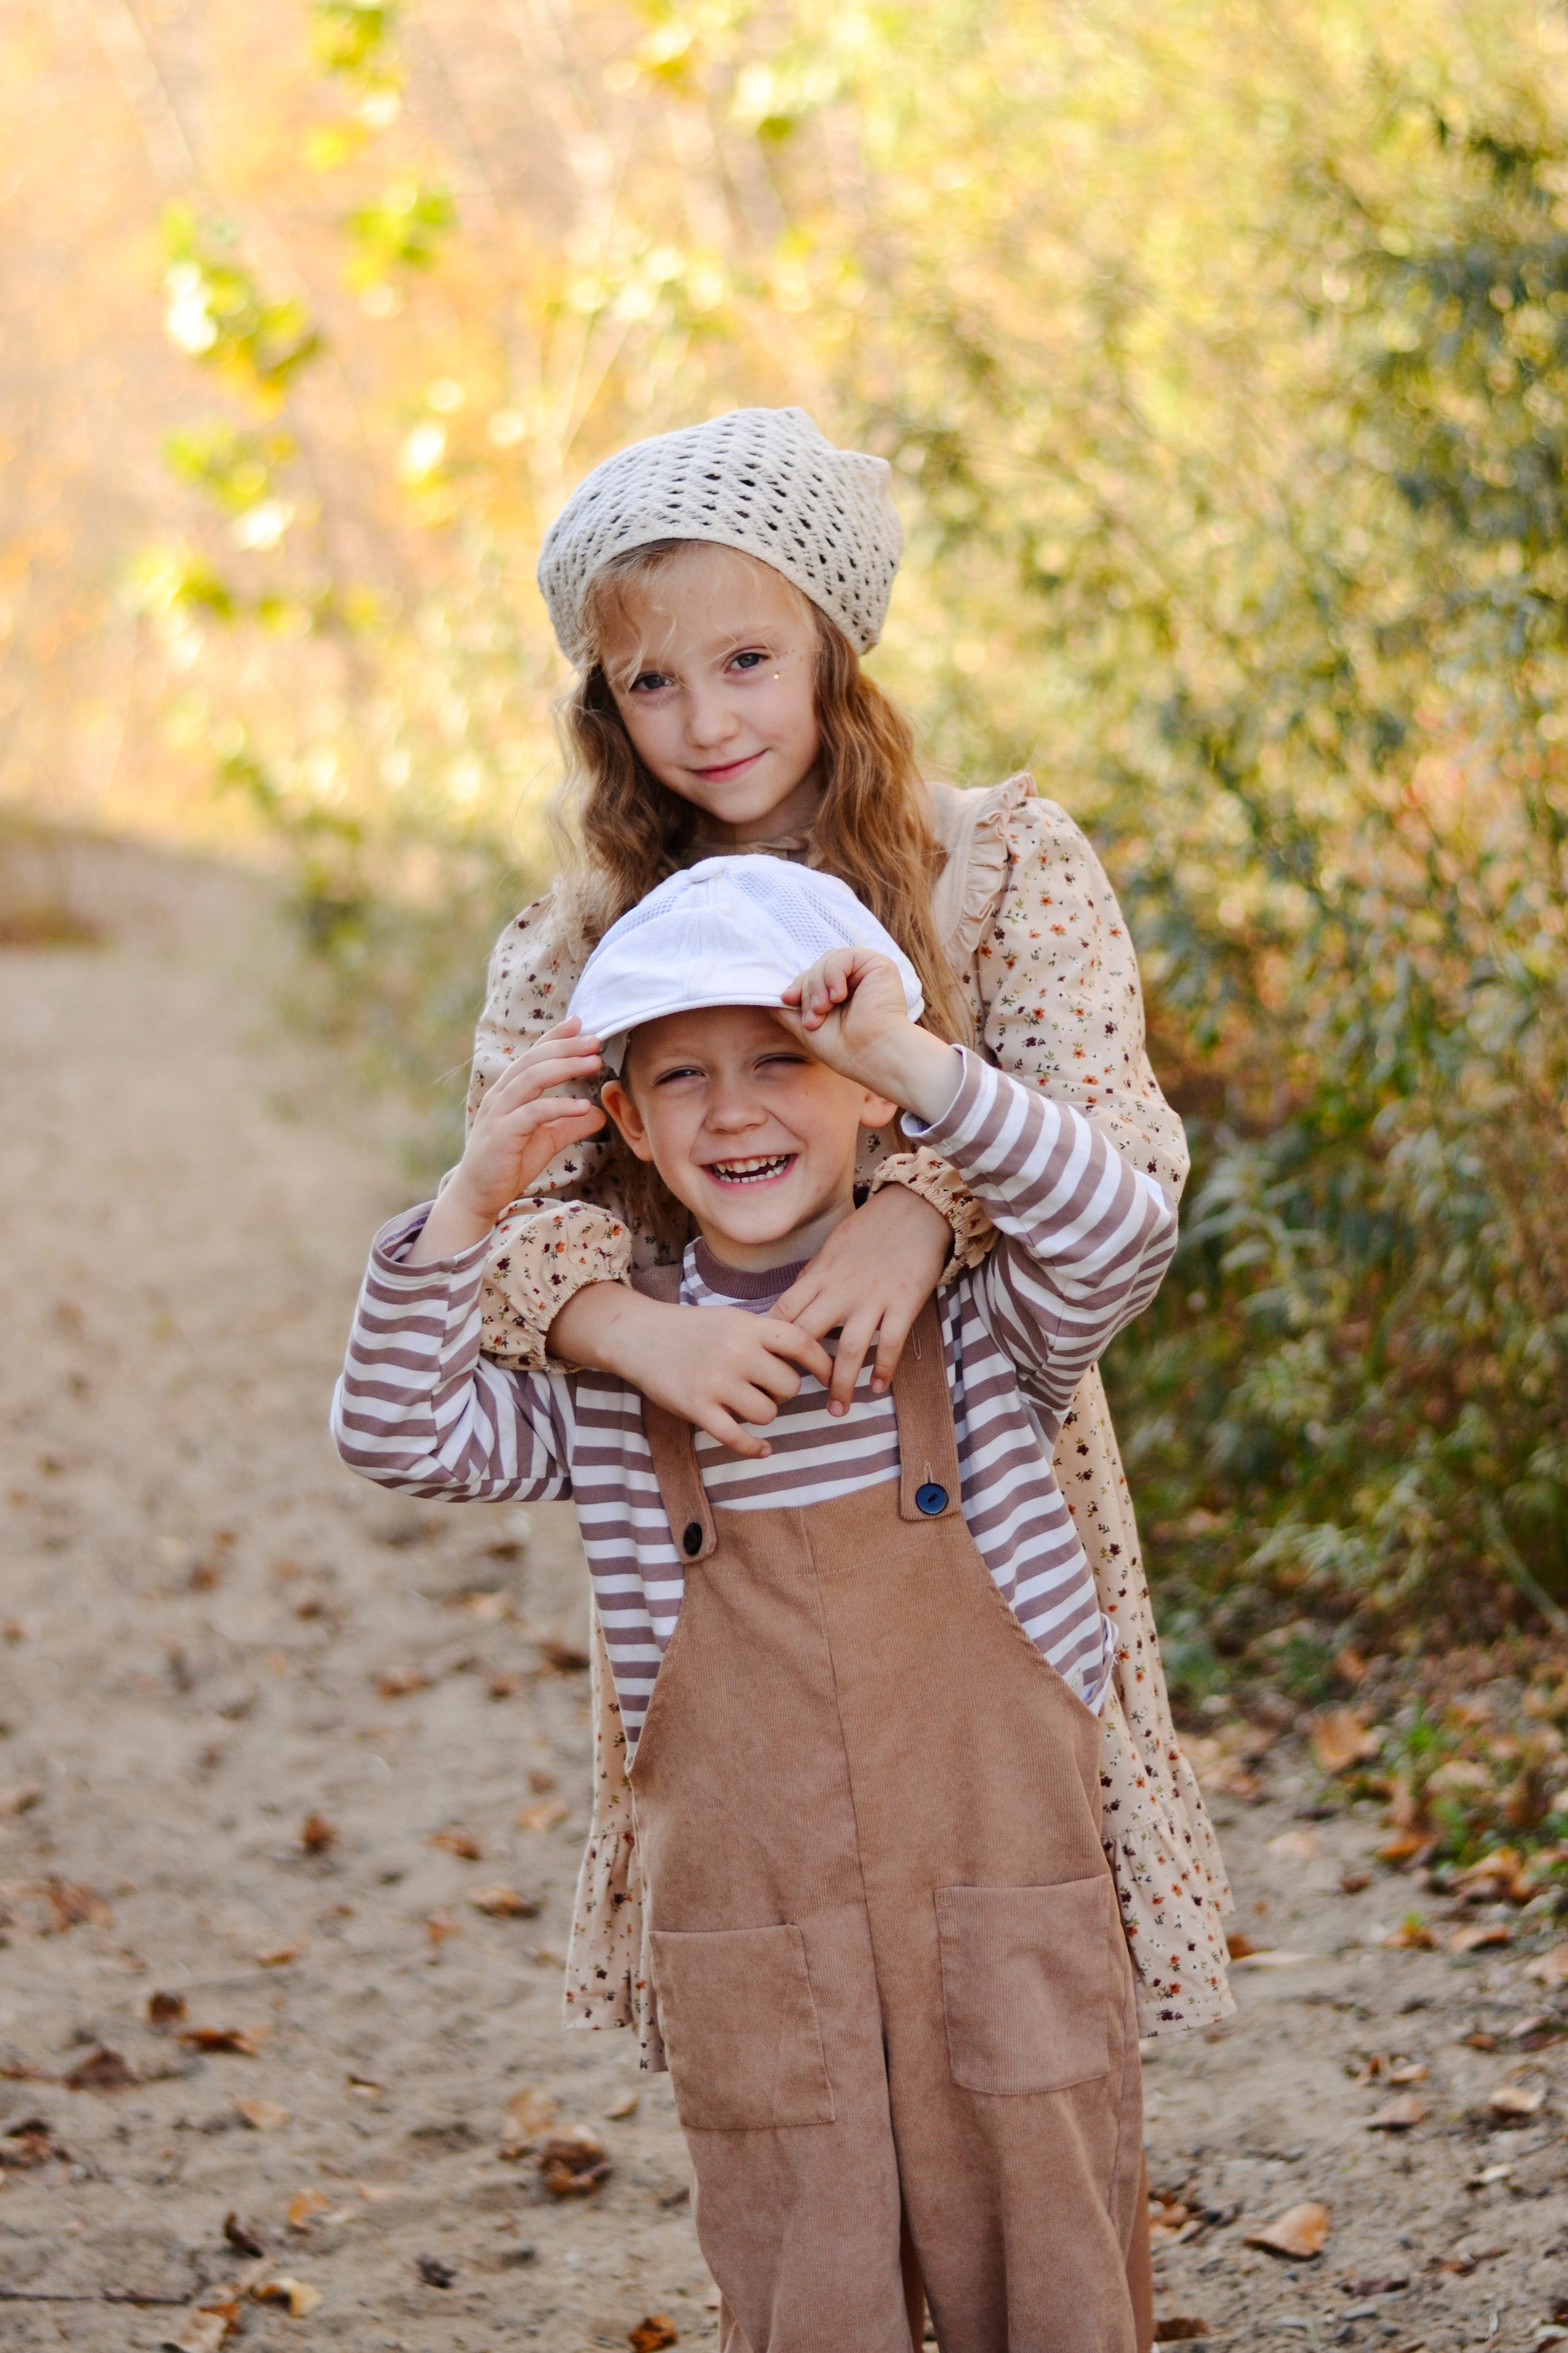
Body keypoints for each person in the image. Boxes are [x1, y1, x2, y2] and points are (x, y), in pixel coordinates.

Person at [333, 856, 1183, 2352]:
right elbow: (395, 1430)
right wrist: (475, 1194)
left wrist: (918, 1064)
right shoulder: (617, 1390)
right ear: (628, 1124)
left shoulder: (986, 1332)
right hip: (759, 1954)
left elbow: (1124, 1229)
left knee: (1052, 2272)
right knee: (808, 2298)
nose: (732, 1113)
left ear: (863, 1090)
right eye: (682, 1078)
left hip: (1004, 1924)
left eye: (782, 1061)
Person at [464, 407, 1233, 2050]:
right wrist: (628, 1328)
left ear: (829, 647)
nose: (705, 720)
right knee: (791, 1965)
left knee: (1014, 1947)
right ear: (604, 704)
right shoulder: (577, 941)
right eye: (650, 684)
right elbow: (515, 1213)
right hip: (718, 1486)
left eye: (746, 661)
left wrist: (918, 1210)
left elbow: (1113, 1148)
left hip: (980, 1463)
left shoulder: (996, 871)